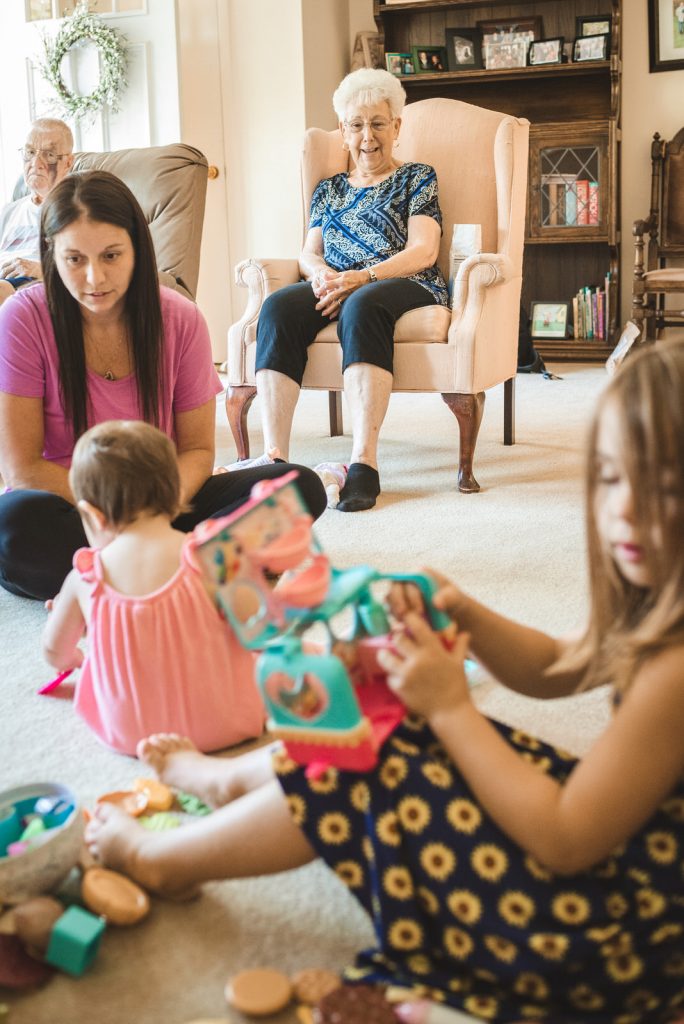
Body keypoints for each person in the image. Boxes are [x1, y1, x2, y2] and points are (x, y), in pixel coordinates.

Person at [85, 341, 684, 1021]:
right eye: (610, 477)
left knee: (374, 754)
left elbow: (566, 840)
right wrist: (461, 607)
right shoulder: (662, 601)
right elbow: (558, 666)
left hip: (607, 942)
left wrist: (453, 707)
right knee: (391, 716)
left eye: (664, 488)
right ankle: (230, 782)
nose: (626, 510)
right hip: (626, 862)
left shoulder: (677, 672)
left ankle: (167, 860)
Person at [0, 170, 326, 602]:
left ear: (138, 249)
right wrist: (119, 520)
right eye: (75, 259)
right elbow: (23, 469)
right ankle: (190, 570)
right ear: (51, 256)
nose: (95, 278)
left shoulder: (180, 318)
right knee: (13, 524)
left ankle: (132, 575)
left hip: (165, 503)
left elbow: (196, 451)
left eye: (111, 256)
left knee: (299, 488)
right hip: (76, 510)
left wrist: (152, 514)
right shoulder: (23, 318)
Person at [254, 68, 449, 513]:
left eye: (378, 123)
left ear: (396, 127)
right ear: (342, 131)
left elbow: (424, 249)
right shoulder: (328, 190)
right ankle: (274, 459)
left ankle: (364, 463)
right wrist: (321, 273)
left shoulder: (417, 177)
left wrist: (362, 276)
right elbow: (309, 252)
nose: (367, 137)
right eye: (356, 125)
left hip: (402, 282)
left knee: (362, 304)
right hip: (339, 283)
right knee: (280, 306)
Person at [42, 420, 265, 756]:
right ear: (176, 491)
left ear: (92, 515)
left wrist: (76, 655)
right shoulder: (208, 558)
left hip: (131, 735)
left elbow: (53, 652)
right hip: (227, 722)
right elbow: (259, 624)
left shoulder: (85, 578)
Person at [0, 118, 74, 306]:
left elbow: (85, 266)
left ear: (68, 163)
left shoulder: (77, 209)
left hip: (33, 286)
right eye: (30, 152)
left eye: (49, 155)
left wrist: (42, 269)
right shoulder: (9, 212)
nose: (36, 163)